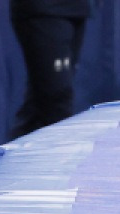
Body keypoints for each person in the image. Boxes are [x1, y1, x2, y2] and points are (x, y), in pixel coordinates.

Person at [9, 0, 90, 138]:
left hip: (76, 9)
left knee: (38, 106)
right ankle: (60, 156)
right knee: (57, 98)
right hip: (46, 9)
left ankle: (18, 157)